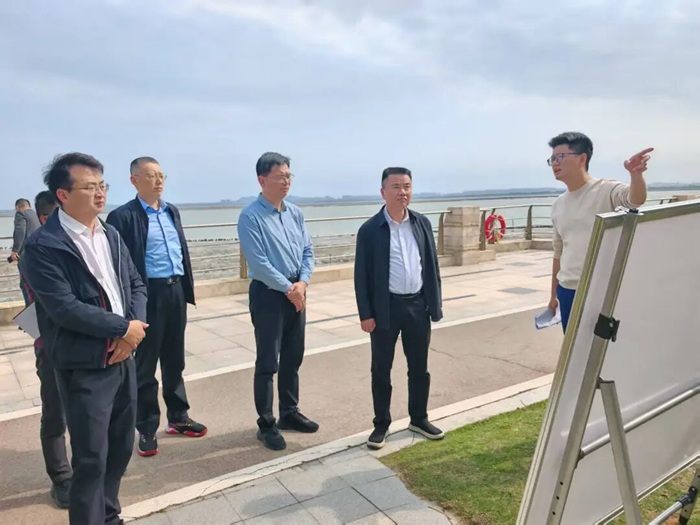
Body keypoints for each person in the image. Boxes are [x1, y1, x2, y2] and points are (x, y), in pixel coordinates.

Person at [20, 152, 148, 525]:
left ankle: (109, 515)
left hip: (124, 357)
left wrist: (133, 331)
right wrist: (121, 329)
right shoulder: (43, 246)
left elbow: (136, 285)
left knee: (121, 448)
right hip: (86, 364)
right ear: (62, 194)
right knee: (91, 458)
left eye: (102, 185)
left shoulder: (110, 234)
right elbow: (64, 308)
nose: (100, 193)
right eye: (89, 187)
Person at [106, 156, 206, 458]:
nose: (158, 180)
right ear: (134, 180)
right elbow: (117, 265)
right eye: (151, 175)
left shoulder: (171, 211)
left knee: (175, 359)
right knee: (145, 365)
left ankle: (178, 417)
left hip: (175, 291)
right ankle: (147, 427)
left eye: (161, 175)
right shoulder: (122, 217)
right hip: (147, 295)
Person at [354, 167, 444, 450]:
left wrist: (434, 305)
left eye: (406, 186)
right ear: (383, 192)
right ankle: (381, 424)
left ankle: (419, 418)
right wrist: (366, 314)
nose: (402, 192)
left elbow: (431, 265)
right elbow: (361, 277)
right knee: (381, 369)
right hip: (385, 308)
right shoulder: (370, 230)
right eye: (395, 187)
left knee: (419, 367)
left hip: (417, 305)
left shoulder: (421, 223)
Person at [237, 151, 316, 451]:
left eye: (288, 176)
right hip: (269, 295)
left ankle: (289, 412)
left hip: (297, 291)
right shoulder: (250, 216)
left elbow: (308, 251)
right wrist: (289, 289)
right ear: (262, 180)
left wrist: (302, 283)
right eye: (280, 177)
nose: (286, 182)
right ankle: (266, 423)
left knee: (293, 356)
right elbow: (258, 263)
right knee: (268, 361)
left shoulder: (295, 213)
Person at [546, 132, 651, 332]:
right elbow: (559, 252)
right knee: (572, 345)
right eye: (552, 159)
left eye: (560, 157)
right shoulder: (558, 204)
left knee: (600, 346)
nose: (554, 163)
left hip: (599, 288)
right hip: (567, 289)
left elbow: (635, 199)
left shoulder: (606, 190)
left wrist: (635, 175)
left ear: (582, 158)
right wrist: (553, 295)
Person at [19, 190, 72, 509]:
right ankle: (61, 478)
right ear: (43, 218)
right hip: (50, 343)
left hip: (80, 342)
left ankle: (87, 469)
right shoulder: (34, 252)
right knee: (55, 411)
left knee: (86, 408)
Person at [11, 197, 41, 305]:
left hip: (26, 256)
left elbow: (20, 231)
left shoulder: (21, 214)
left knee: (26, 285)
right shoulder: (36, 215)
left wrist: (15, 250)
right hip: (39, 255)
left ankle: (30, 311)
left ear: (17, 207)